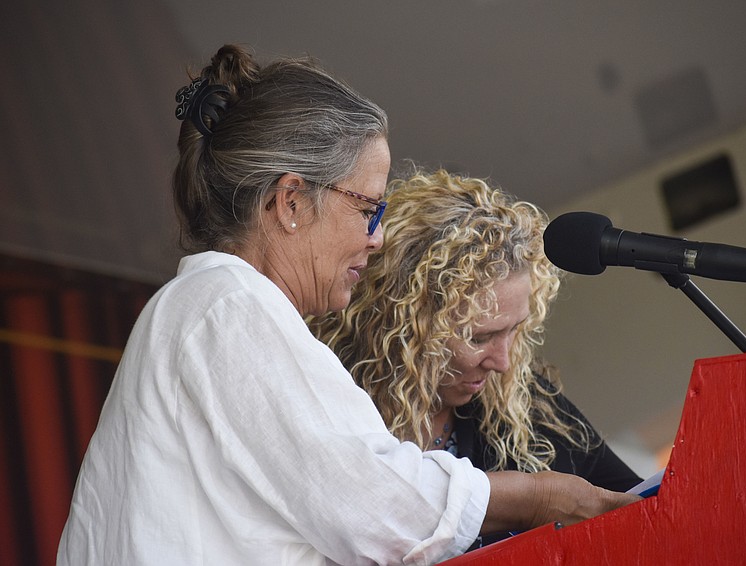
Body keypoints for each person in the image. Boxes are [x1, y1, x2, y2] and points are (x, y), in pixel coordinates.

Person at [57, 45, 639, 565]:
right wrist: (536, 496)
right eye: (368, 209)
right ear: (290, 202)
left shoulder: (212, 309)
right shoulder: (224, 307)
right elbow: (373, 505)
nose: (376, 237)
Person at [311, 168, 643, 547]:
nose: (502, 361)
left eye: (514, 329)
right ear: (403, 325)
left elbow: (639, 505)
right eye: (479, 336)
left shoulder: (528, 402)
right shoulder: (332, 405)